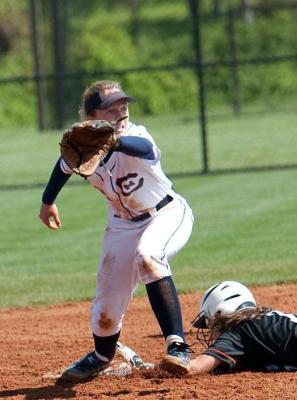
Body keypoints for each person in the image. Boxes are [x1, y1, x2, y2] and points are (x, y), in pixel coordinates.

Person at [39, 80, 195, 382]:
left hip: (165, 213)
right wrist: (47, 203)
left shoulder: (135, 135)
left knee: (148, 256)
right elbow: (62, 167)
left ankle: (177, 345)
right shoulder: (84, 146)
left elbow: (146, 149)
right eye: (112, 108)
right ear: (91, 116)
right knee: (105, 310)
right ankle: (100, 357)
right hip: (121, 225)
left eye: (123, 104)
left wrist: (113, 141)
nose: (122, 110)